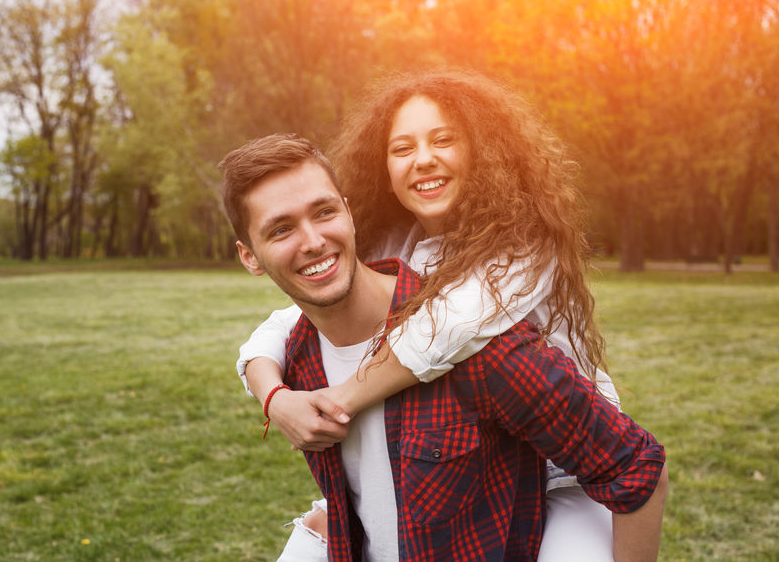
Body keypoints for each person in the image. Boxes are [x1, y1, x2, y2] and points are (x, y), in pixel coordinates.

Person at [237, 69, 633, 560]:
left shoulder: (525, 242)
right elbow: (286, 321)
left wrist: (339, 401)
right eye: (402, 149)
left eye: (444, 140)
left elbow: (442, 333)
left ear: (481, 149)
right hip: (467, 459)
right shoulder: (394, 242)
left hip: (563, 464)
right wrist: (275, 397)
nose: (423, 159)